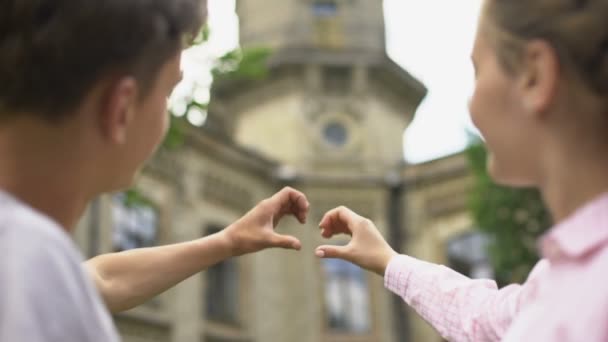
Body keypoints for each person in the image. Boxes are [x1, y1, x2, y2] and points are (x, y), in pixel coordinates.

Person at [0, 1, 309, 341]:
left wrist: (227, 242)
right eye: (168, 93)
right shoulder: (31, 262)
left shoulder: (28, 263)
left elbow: (101, 279)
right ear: (121, 108)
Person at [315, 0, 608, 341]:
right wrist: (389, 261)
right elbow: (486, 318)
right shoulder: (563, 279)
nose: (471, 105)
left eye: (477, 70)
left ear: (535, 75)